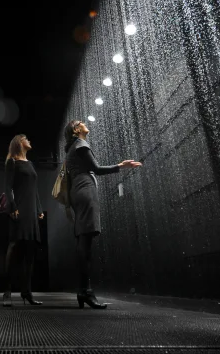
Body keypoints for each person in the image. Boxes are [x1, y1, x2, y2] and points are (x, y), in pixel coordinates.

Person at [64, 120, 141, 309]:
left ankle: (83, 291)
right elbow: (96, 169)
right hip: (85, 190)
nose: (84, 124)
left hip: (77, 191)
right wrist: (120, 166)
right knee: (85, 243)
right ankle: (86, 291)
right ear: (76, 130)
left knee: (83, 240)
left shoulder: (72, 148)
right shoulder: (81, 144)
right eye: (81, 123)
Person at [2, 134, 45, 307]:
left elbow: (34, 190)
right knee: (13, 247)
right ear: (19, 143)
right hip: (19, 209)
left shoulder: (30, 164)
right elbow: (7, 187)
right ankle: (7, 292)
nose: (29, 140)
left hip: (32, 211)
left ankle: (26, 292)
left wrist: (39, 209)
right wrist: (12, 207)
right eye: (26, 138)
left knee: (30, 251)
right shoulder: (12, 162)